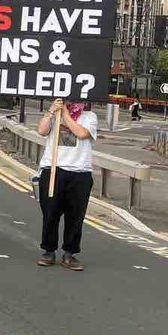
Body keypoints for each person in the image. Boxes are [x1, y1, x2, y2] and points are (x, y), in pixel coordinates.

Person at [35, 99, 98, 271]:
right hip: (53, 169)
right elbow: (41, 131)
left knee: (75, 216)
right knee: (50, 212)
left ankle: (70, 253)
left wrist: (66, 115)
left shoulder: (89, 116)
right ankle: (48, 250)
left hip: (79, 172)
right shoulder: (54, 115)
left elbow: (82, 134)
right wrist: (51, 111)